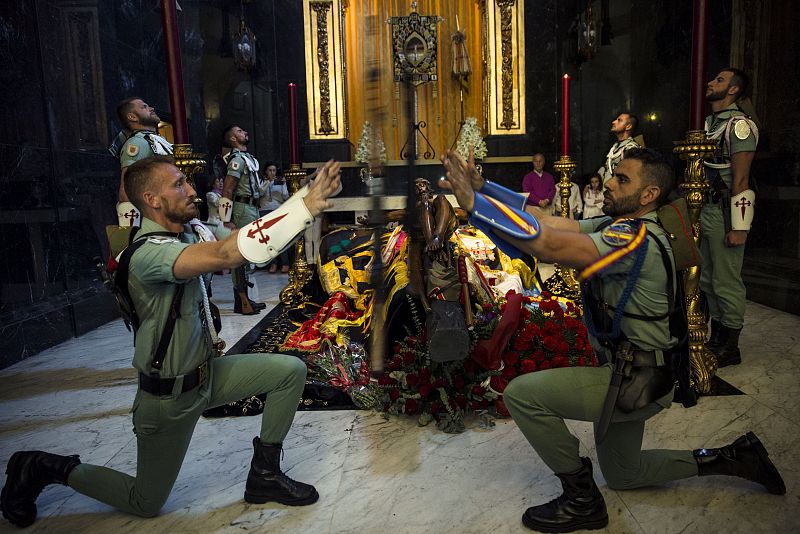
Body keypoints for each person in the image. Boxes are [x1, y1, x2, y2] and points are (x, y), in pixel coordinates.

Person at [440, 147, 785, 533]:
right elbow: (545, 220)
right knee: (624, 473)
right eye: (613, 175)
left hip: (636, 378)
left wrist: (473, 205)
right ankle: (735, 457)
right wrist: (484, 188)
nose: (609, 182)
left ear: (649, 194)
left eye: (622, 179)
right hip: (642, 371)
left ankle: (581, 499)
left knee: (522, 394)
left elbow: (548, 244)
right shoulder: (625, 225)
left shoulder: (631, 239)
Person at [0, 156, 342, 528]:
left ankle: (265, 475)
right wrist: (304, 206)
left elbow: (239, 239)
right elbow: (225, 254)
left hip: (206, 377)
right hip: (169, 398)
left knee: (289, 371)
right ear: (153, 200)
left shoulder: (186, 233)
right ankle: (41, 466)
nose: (192, 189)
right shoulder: (149, 254)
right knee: (145, 501)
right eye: (179, 183)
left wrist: (302, 197)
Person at [701, 68, 758, 368]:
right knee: (708, 279)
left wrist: (739, 227)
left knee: (726, 281)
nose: (711, 82)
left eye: (719, 80)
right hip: (706, 209)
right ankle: (717, 337)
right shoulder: (711, 124)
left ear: (734, 89)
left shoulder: (739, 126)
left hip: (726, 211)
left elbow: (742, 179)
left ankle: (730, 346)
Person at [219, 125, 267, 315]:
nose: (245, 132)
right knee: (240, 252)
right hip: (242, 208)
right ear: (232, 139)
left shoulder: (248, 158)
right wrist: (226, 219)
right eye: (239, 131)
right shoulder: (236, 160)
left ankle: (245, 299)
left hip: (252, 207)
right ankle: (242, 300)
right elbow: (228, 189)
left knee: (248, 253)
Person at [116, 97, 174, 227]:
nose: (151, 109)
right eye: (144, 107)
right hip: (156, 218)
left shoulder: (155, 140)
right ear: (132, 117)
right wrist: (132, 230)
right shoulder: (138, 142)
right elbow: (126, 189)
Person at [258, 163, 291, 273]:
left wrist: (284, 184)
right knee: (268, 239)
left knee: (280, 238)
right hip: (264, 211)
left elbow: (285, 196)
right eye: (270, 170)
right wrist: (268, 182)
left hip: (277, 211)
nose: (272, 172)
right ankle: (273, 263)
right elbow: (259, 193)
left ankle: (285, 263)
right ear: (266, 171)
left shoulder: (280, 182)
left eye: (274, 170)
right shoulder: (261, 181)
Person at [598, 112, 639, 186]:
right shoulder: (614, 147)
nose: (613, 122)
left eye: (619, 120)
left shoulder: (631, 148)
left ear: (628, 126)